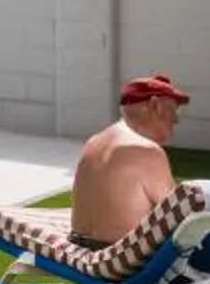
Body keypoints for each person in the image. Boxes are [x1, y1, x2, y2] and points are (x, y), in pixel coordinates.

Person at [70, 72, 190, 247]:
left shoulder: (94, 141)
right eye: (172, 109)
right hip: (122, 255)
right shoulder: (145, 150)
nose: (176, 119)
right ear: (155, 105)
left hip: (79, 244)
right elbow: (180, 213)